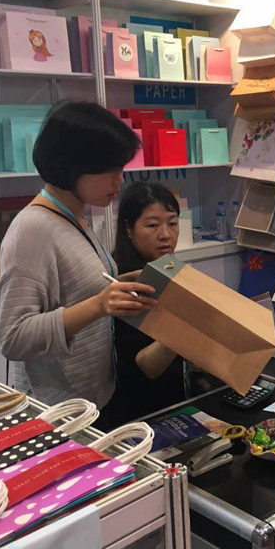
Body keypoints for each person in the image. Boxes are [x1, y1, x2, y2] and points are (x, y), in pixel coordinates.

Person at [0, 101, 157, 424]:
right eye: (111, 171)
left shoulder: (73, 216)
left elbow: (75, 288)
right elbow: (14, 338)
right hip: (60, 414)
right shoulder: (32, 231)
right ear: (74, 166)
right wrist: (99, 305)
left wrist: (123, 283)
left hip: (94, 397)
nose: (120, 181)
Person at [111, 181, 191, 423]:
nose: (166, 235)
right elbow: (146, 368)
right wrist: (189, 326)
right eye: (153, 225)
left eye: (172, 223)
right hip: (141, 413)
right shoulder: (126, 283)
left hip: (179, 399)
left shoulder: (171, 269)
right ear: (128, 229)